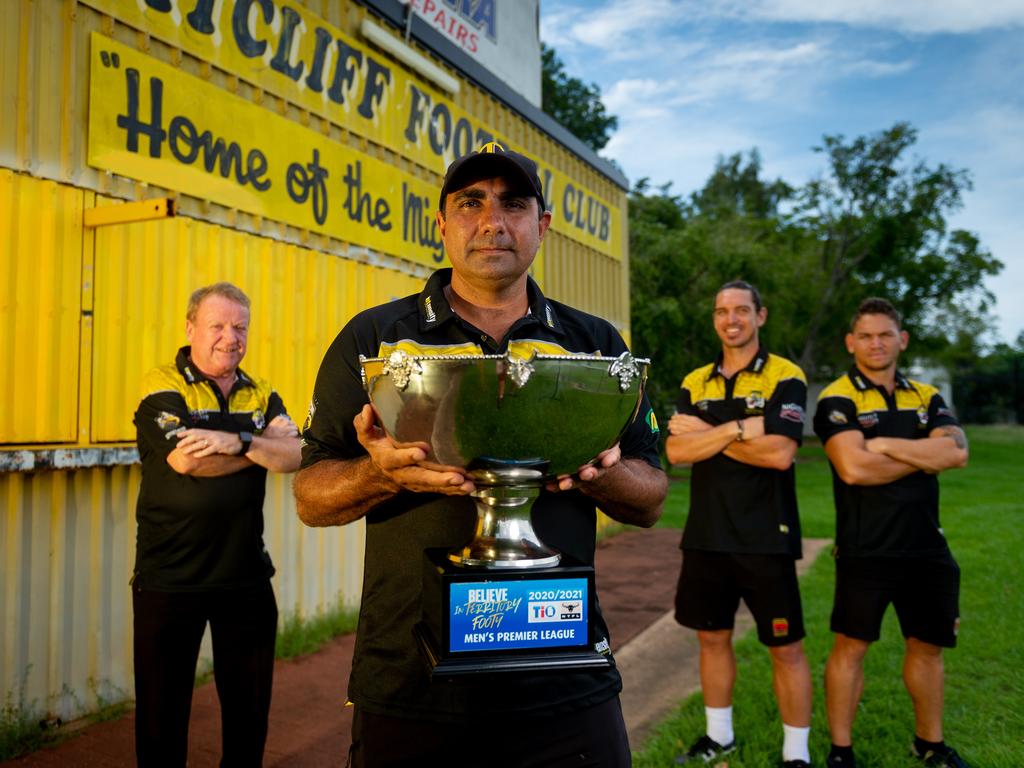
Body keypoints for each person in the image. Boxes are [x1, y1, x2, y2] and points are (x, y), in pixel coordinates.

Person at [294, 142, 667, 768]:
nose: (493, 221)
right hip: (413, 680)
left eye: (514, 203)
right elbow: (311, 497)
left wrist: (600, 475)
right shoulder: (376, 339)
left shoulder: (596, 345)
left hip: (563, 671)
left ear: (541, 227)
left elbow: (652, 498)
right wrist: (381, 474)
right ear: (441, 223)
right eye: (471, 202)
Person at [132, 282, 302, 766]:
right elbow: (187, 462)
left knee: (248, 724)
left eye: (240, 327)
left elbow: (296, 456)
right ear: (191, 329)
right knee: (162, 725)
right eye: (218, 325)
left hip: (245, 578)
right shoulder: (161, 384)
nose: (230, 337)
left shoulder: (261, 390)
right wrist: (260, 444)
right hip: (170, 580)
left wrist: (237, 442)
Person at [814, 298, 970, 768]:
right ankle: (842, 751)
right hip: (866, 548)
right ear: (851, 343)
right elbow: (854, 468)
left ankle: (930, 744)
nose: (876, 343)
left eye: (885, 334)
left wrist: (882, 443)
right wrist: (922, 450)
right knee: (851, 648)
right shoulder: (837, 396)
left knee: (928, 648)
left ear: (901, 339)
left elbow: (957, 454)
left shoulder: (926, 394)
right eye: (866, 336)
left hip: (927, 547)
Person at [666, 281, 813, 768]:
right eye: (722, 311)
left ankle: (796, 755)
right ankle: (719, 737)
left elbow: (780, 453)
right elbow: (676, 451)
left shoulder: (785, 376)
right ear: (714, 319)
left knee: (785, 647)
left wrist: (709, 433)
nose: (732, 319)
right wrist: (739, 428)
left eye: (742, 310)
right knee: (711, 638)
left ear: (760, 316)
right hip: (707, 535)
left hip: (767, 536)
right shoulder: (695, 381)